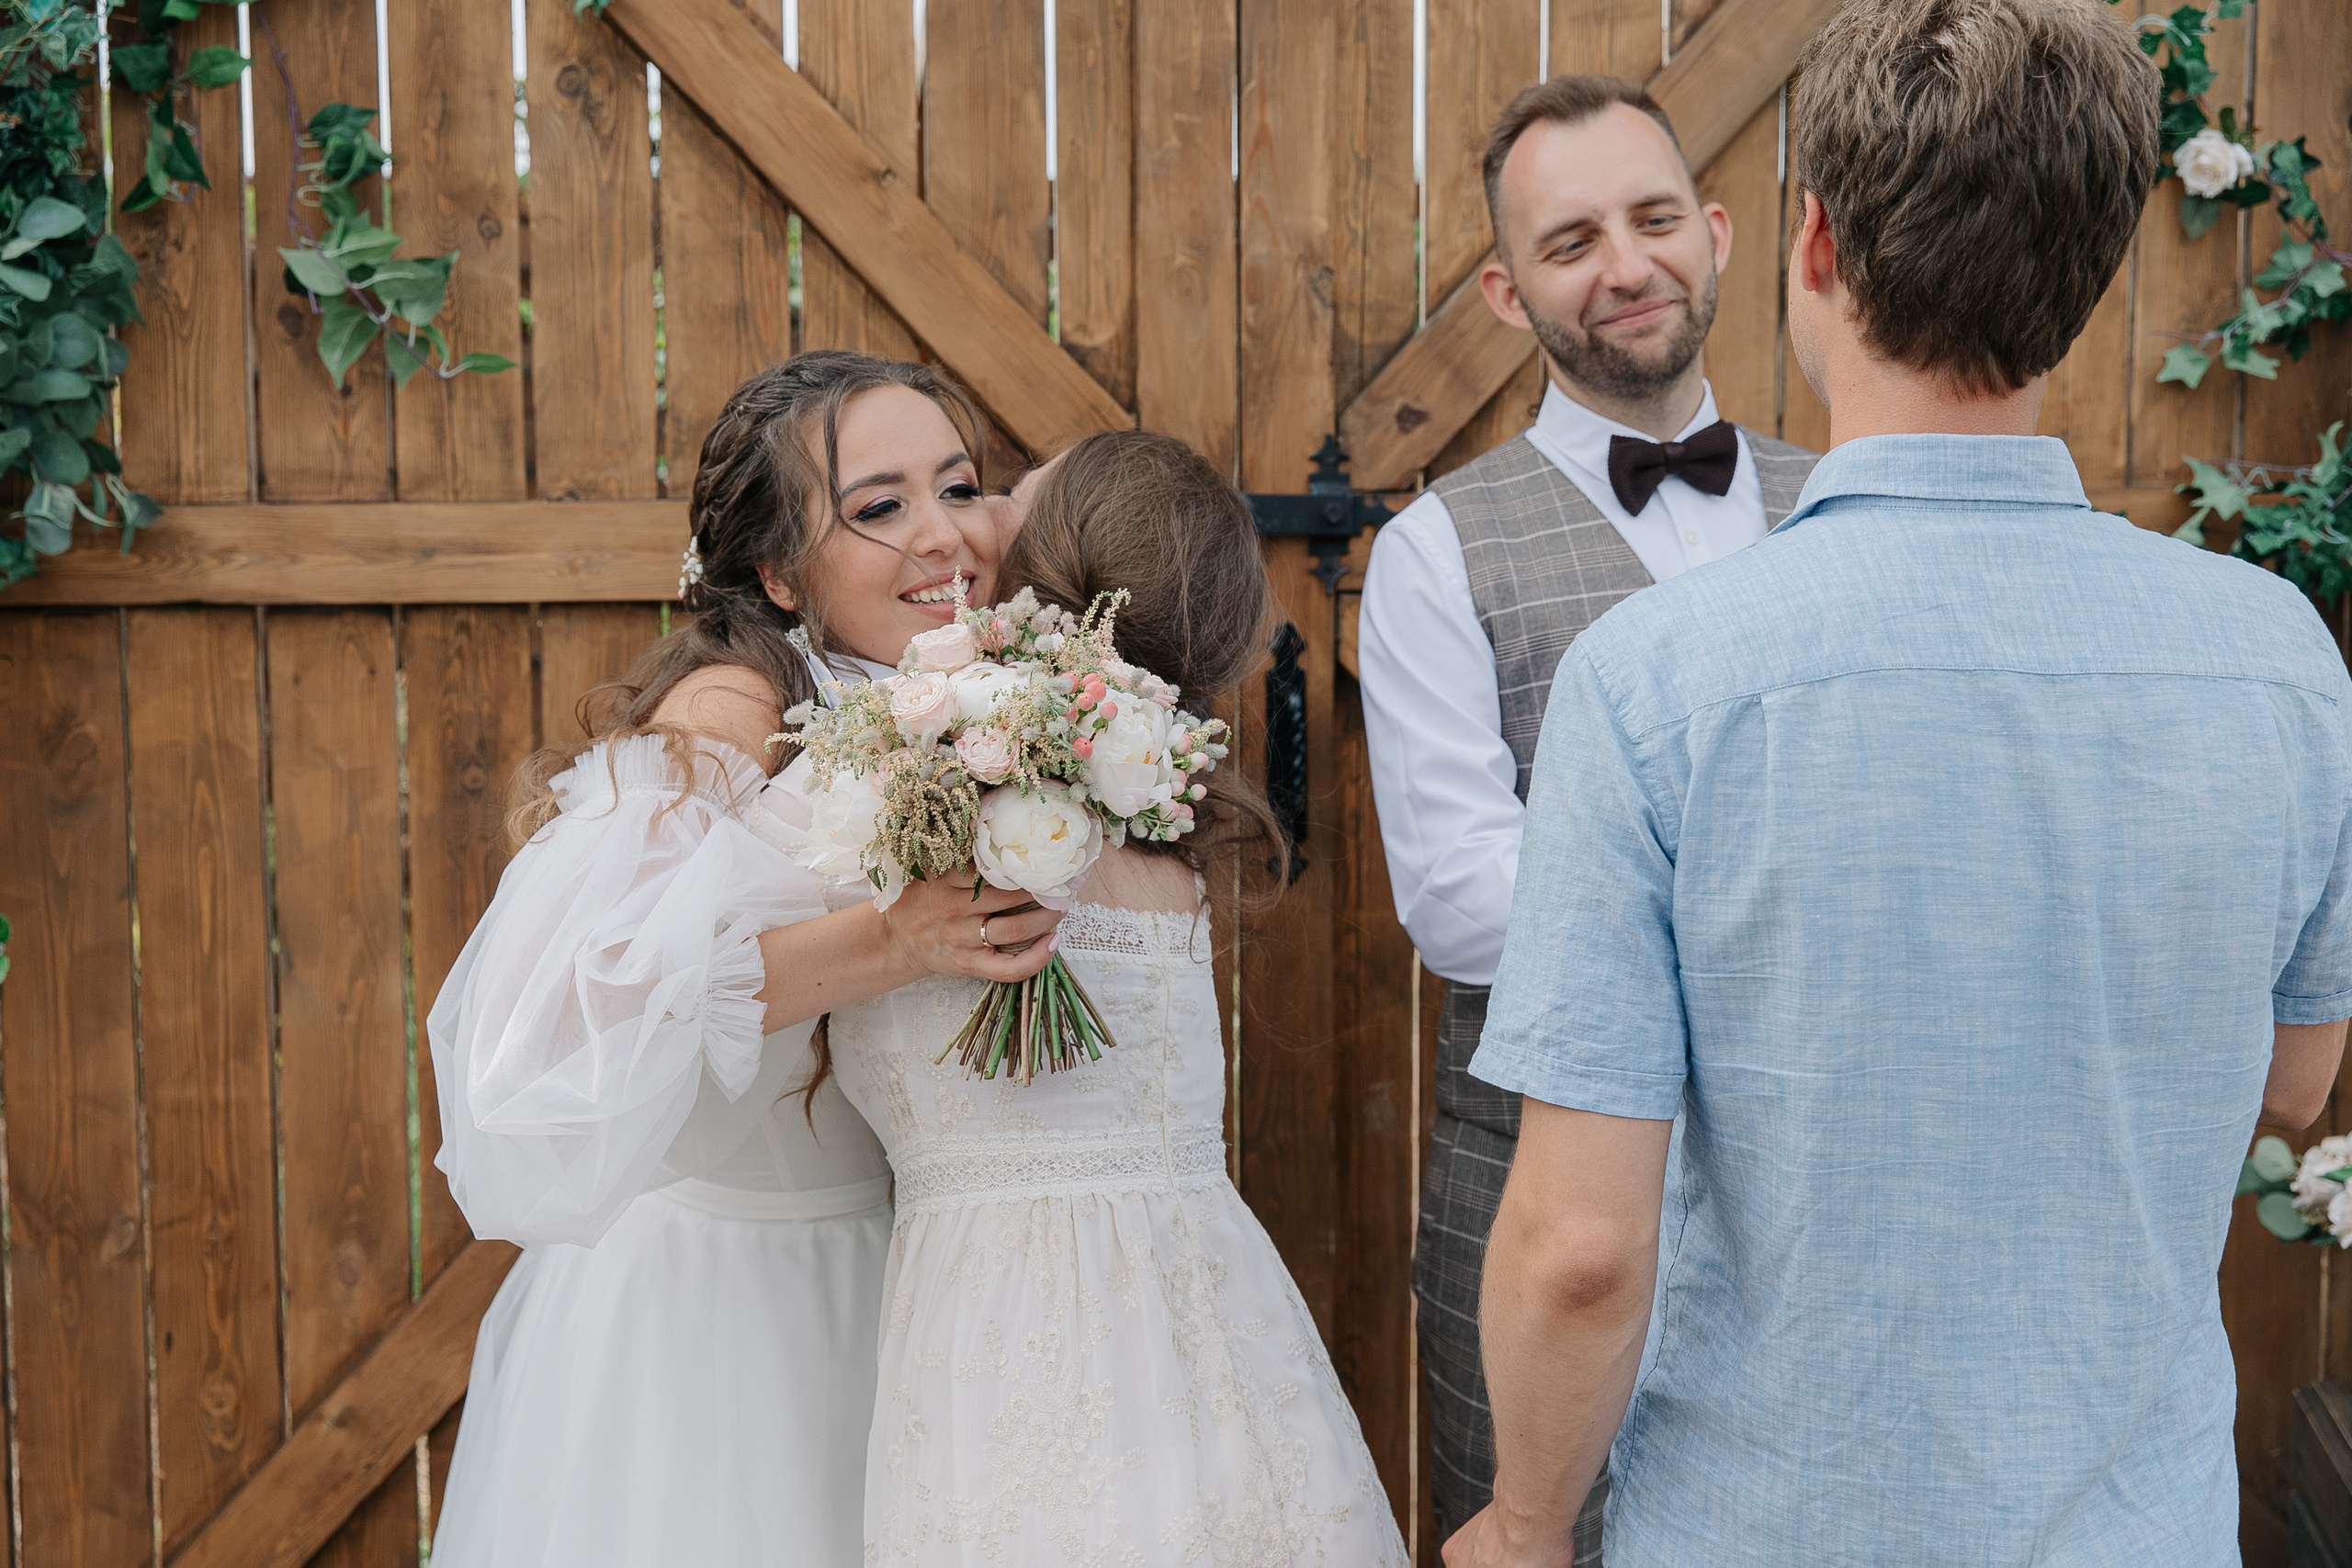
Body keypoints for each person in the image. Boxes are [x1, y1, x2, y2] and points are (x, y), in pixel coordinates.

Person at [1447, 3, 2352, 1563]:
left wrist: (1523, 1528)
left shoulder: (1659, 682)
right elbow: (2289, 1081)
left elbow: (1583, 1249)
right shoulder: (2274, 657)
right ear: (2091, 275)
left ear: (1809, 244)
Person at [426, 352, 1070, 1568]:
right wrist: (889, 940)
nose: (947, 536)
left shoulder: (990, 694)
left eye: (962, 485)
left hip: (913, 1278)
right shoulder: (727, 710)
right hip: (723, 1314)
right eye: (879, 508)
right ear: (779, 573)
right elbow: (577, 1009)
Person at [751, 430, 1410, 1565]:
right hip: (1209, 1312)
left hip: (1001, 1328)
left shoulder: (901, 783)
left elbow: (690, 986)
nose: (965, 521)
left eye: (1000, 499)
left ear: (1033, 581)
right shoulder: (1160, 811)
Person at [1356, 73, 1817, 1554]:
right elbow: (1459, 900)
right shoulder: (1437, 549)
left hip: (1821, 1183)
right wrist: (1770, 906)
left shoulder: (1850, 501)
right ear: (1507, 288)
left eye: (1654, 217)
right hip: (1535, 1189)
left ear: (1721, 232)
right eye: (1570, 242)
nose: (1624, 265)